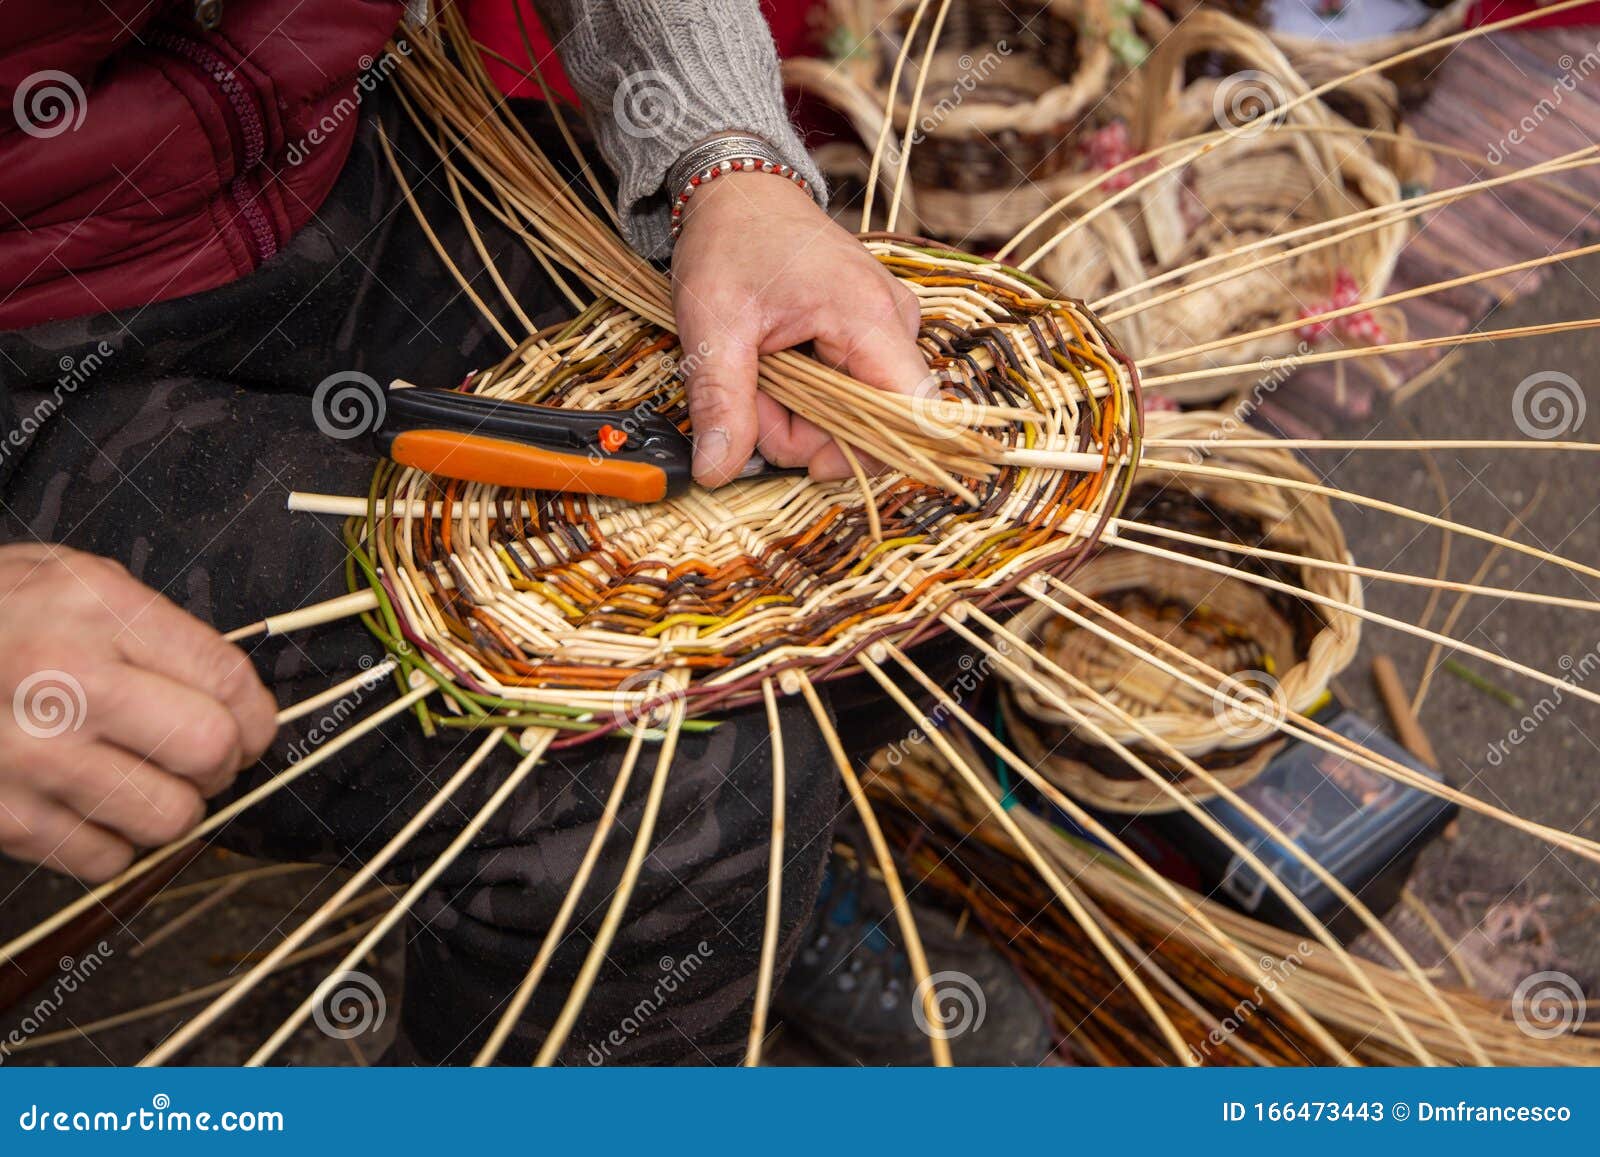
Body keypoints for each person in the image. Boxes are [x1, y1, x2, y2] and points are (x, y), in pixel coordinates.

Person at [0, 0, 1049, 1064]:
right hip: (30, 351)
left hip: (345, 155)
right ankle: (687, 906)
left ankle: (762, 893)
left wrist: (727, 159)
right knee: (667, 794)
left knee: (928, 489)